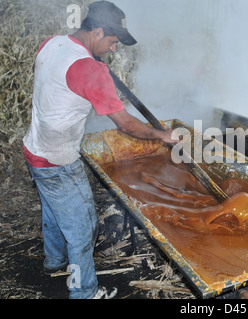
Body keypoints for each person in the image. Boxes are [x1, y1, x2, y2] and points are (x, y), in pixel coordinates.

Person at [22, 1, 178, 299]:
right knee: (83, 229)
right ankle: (84, 292)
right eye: (112, 41)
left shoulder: (52, 43)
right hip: (58, 160)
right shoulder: (90, 70)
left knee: (54, 212)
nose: (114, 49)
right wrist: (162, 135)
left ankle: (54, 261)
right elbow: (127, 125)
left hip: (34, 148)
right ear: (96, 31)